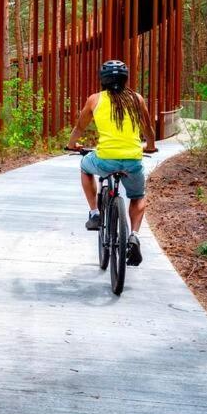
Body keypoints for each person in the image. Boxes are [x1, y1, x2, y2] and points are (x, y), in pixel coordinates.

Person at [67, 60, 156, 266]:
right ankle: (133, 235)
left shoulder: (94, 100)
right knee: (138, 196)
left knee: (85, 167)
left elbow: (80, 128)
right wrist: (149, 146)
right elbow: (149, 129)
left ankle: (95, 212)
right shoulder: (137, 99)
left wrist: (72, 145)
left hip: (105, 159)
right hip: (133, 161)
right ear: (125, 79)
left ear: (103, 80)